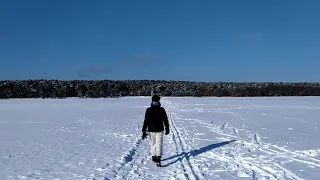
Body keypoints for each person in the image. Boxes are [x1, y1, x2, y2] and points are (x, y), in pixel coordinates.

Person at [142, 95, 170, 167]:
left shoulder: (149, 110)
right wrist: (167, 128)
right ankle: (158, 158)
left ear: (152, 101)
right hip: (159, 129)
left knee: (153, 143)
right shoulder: (162, 109)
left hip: (152, 129)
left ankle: (154, 156)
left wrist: (144, 130)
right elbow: (165, 120)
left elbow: (146, 121)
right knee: (159, 143)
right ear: (158, 101)